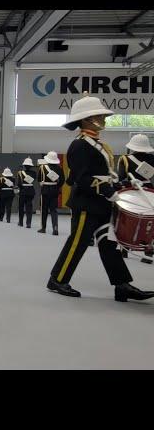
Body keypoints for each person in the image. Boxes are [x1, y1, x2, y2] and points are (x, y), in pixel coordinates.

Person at [46, 92, 153, 302]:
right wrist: (107, 191)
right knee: (78, 241)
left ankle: (122, 285)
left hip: (100, 203)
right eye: (100, 116)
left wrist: (118, 185)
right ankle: (57, 279)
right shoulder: (80, 145)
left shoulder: (97, 144)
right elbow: (82, 177)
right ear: (87, 119)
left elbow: (103, 174)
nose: (104, 119)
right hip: (87, 203)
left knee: (109, 244)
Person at [116, 134, 154, 263]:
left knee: (129, 220)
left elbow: (121, 179)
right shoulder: (153, 159)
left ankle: (125, 248)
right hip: (150, 194)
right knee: (150, 223)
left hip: (131, 193)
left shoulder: (124, 159)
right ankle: (148, 252)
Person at [37, 151, 64, 236]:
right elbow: (62, 180)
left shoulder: (42, 167)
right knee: (54, 210)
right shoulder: (59, 168)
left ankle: (43, 228)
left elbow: (39, 179)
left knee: (44, 210)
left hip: (45, 190)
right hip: (55, 191)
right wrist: (56, 186)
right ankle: (55, 228)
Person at [16, 157, 37, 228]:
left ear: (24, 165)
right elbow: (33, 181)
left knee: (21, 207)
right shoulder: (34, 173)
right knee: (29, 208)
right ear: (31, 166)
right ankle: (28, 223)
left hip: (22, 191)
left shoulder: (20, 173)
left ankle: (21, 222)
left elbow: (19, 183)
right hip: (30, 191)